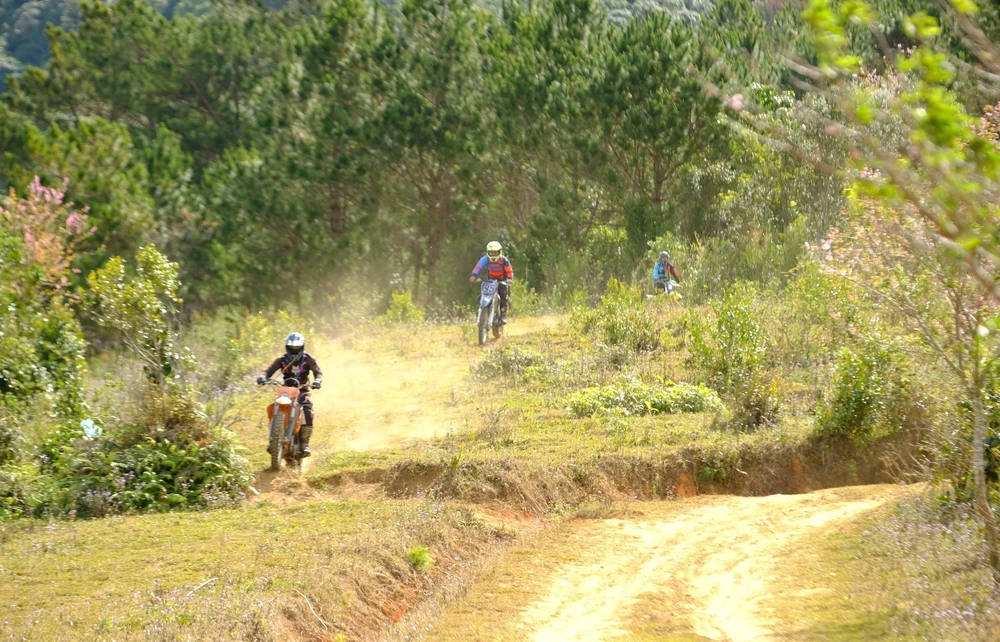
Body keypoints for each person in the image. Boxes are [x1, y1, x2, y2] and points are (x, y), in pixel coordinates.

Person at [256, 332, 323, 457]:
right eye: (292, 347)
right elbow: (268, 370)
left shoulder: (308, 359)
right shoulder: (281, 360)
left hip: (302, 388)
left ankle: (304, 444)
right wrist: (262, 377)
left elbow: (318, 372)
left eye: (297, 347)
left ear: (302, 346)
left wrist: (317, 381)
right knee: (275, 406)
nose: (294, 349)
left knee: (307, 410)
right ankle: (273, 440)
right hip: (285, 389)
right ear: (287, 347)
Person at [470, 241, 514, 324]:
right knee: (484, 293)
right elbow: (479, 266)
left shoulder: (504, 260)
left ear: (499, 252)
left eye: (495, 252)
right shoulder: (485, 259)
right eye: (491, 252)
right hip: (491, 279)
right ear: (488, 252)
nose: (493, 254)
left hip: (503, 279)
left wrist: (509, 278)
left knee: (503, 294)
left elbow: (509, 270)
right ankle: (485, 311)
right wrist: (474, 275)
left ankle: (503, 314)